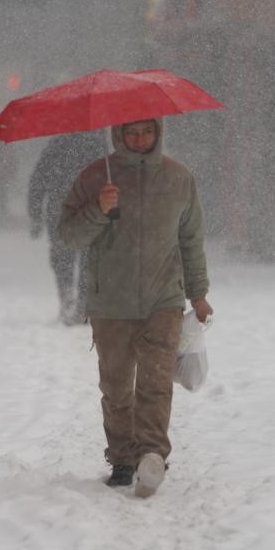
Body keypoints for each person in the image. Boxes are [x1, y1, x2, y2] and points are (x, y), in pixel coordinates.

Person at [59, 118, 213, 497]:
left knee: (155, 383)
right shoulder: (96, 176)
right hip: (110, 303)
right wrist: (99, 208)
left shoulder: (178, 178)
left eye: (147, 131)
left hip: (164, 301)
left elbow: (191, 240)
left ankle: (152, 456)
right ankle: (123, 459)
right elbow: (70, 236)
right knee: (116, 389)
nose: (140, 138)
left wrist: (198, 294)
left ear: (158, 131)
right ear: (118, 133)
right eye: (131, 132)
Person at [27, 131, 106, 324]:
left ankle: (68, 296)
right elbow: (108, 178)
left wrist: (35, 214)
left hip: (62, 208)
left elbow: (39, 178)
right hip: (88, 209)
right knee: (88, 258)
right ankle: (81, 303)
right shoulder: (98, 142)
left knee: (64, 256)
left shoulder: (57, 143)